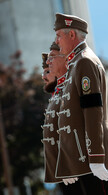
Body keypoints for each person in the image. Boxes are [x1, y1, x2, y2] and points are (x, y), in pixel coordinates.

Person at [53, 13, 108, 194]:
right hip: (83, 155)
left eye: (59, 35)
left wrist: (96, 157)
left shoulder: (84, 62)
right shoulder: (76, 64)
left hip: (92, 157)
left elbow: (92, 109)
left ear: (72, 36)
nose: (56, 41)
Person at [41, 42, 67, 184]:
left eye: (48, 71)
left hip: (73, 166)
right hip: (62, 170)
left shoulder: (67, 92)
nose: (44, 77)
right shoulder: (55, 97)